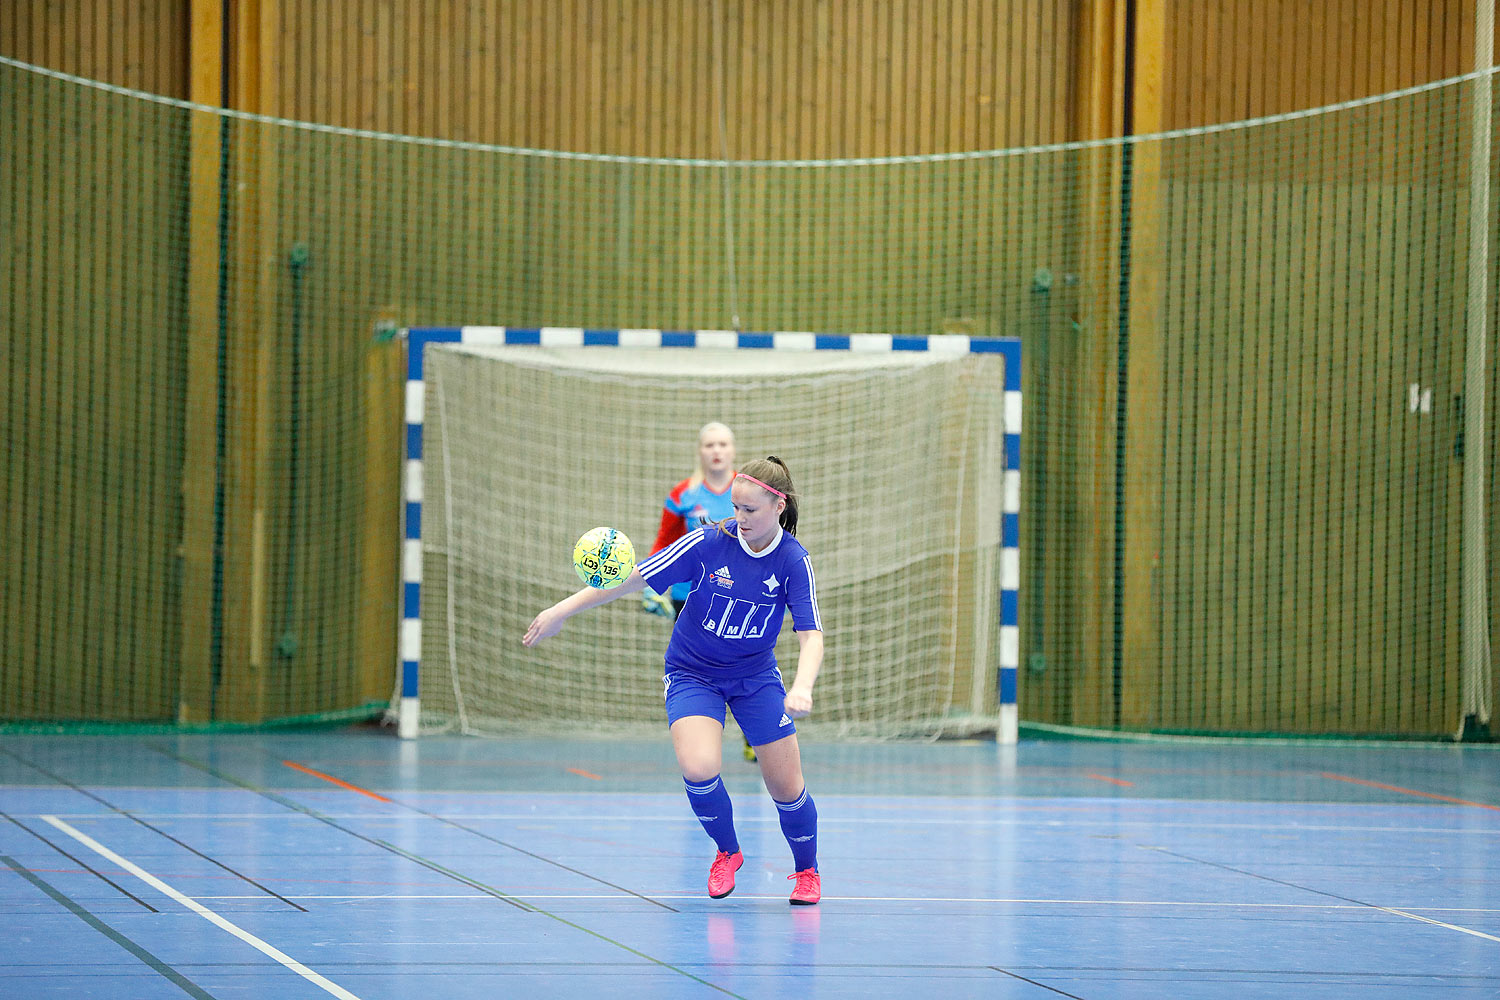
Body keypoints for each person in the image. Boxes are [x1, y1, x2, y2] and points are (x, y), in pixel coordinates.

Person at [523, 457, 823, 905]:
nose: (739, 519)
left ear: (779, 506)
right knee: (699, 768)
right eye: (736, 508)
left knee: (786, 788)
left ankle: (806, 871)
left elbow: (810, 633)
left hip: (755, 678)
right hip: (692, 672)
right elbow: (632, 578)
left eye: (750, 511)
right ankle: (727, 852)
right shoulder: (706, 542)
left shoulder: (793, 560)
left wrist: (802, 687)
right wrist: (558, 611)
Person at [641, 422, 759, 763]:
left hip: (742, 595)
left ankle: (755, 733)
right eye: (710, 445)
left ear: (733, 450)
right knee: (701, 668)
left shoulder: (749, 492)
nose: (717, 451)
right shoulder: (683, 494)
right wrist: (652, 588)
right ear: (700, 451)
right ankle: (703, 740)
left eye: (723, 444)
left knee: (746, 663)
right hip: (690, 596)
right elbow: (665, 542)